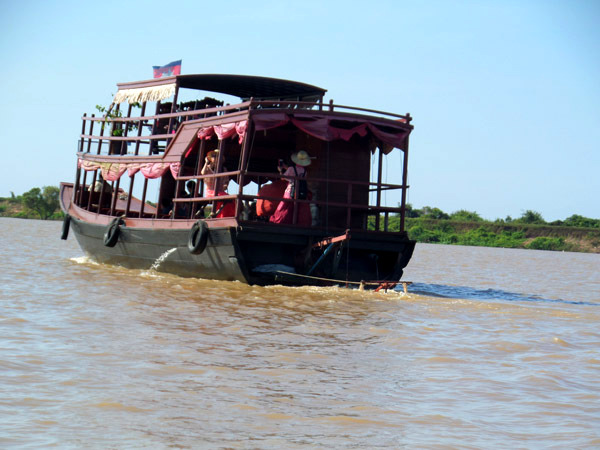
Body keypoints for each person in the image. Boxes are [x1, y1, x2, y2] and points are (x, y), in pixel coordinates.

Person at [269, 150, 313, 226]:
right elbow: (296, 173)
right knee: (297, 208)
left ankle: (280, 222)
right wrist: (286, 168)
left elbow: (283, 178)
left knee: (283, 207)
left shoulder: (291, 169)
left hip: (290, 191)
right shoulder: (305, 171)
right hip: (300, 192)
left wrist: (280, 171)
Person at [201, 149, 235, 218]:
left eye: (217, 156)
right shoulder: (208, 167)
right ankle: (220, 216)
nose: (215, 157)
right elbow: (203, 173)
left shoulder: (224, 169)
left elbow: (226, 181)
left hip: (220, 191)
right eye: (214, 156)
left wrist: (225, 185)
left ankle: (225, 216)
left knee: (231, 200)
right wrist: (206, 163)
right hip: (210, 192)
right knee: (225, 197)